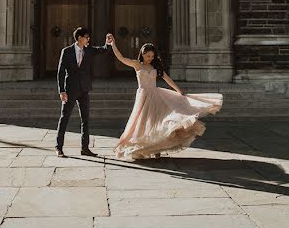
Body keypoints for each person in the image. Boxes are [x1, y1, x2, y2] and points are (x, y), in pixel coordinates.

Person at [111, 40, 222, 160]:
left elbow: (167, 78)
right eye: (148, 56)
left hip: (156, 95)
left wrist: (178, 90)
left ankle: (157, 148)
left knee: (158, 121)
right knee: (142, 123)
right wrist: (113, 44)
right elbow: (121, 58)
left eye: (152, 56)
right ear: (142, 54)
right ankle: (146, 147)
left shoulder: (155, 66)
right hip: (143, 96)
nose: (150, 58)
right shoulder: (137, 64)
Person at [55, 27, 114, 158]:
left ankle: (85, 148)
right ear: (80, 38)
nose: (88, 39)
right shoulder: (67, 51)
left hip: (84, 89)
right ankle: (59, 147)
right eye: (87, 37)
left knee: (85, 119)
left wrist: (108, 43)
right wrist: (62, 91)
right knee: (64, 118)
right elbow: (60, 72)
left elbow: (102, 50)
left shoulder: (88, 50)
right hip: (70, 90)